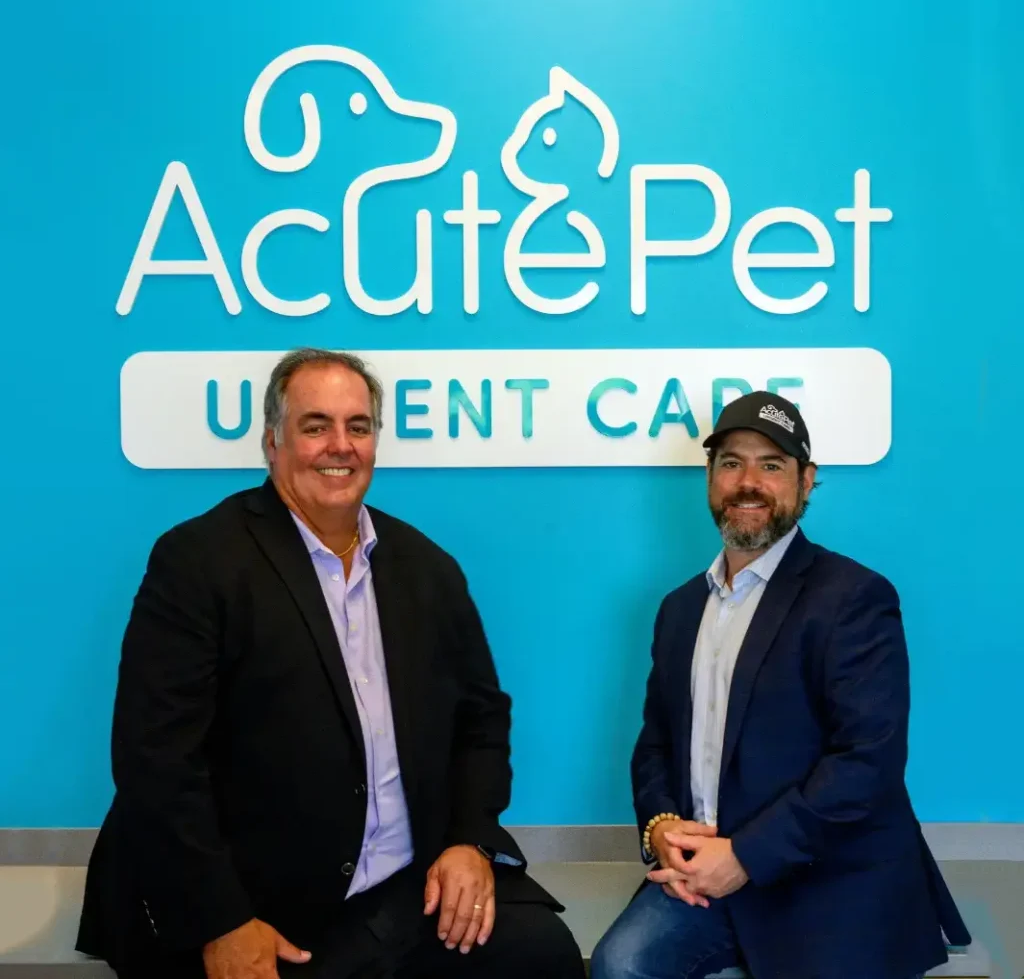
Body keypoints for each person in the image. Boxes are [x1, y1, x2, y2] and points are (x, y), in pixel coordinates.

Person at [77, 347, 585, 979]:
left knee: (543, 953)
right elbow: (155, 760)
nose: (339, 446)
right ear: (272, 442)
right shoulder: (200, 561)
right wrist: (221, 920)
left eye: (358, 426)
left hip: (406, 887)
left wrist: (470, 840)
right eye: (315, 426)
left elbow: (481, 720)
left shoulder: (427, 568)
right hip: (259, 910)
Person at [590, 391, 971, 979]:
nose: (749, 482)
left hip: (826, 876)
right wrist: (661, 826)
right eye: (731, 462)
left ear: (807, 481)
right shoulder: (679, 609)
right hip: (702, 877)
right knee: (621, 964)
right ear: (710, 478)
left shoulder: (853, 598)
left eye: (772, 465)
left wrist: (743, 856)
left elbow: (867, 762)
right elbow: (656, 744)